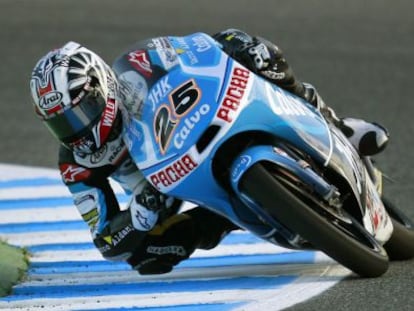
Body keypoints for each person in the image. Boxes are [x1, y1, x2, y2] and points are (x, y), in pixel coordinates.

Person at [29, 29, 389, 275]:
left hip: (192, 127)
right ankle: (230, 216)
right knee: (144, 259)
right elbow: (106, 240)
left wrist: (220, 47)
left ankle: (335, 123)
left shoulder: (136, 66)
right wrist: (139, 214)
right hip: (161, 191)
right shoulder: (76, 163)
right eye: (60, 123)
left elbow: (191, 46)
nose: (76, 129)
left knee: (247, 46)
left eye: (80, 112)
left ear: (100, 85)